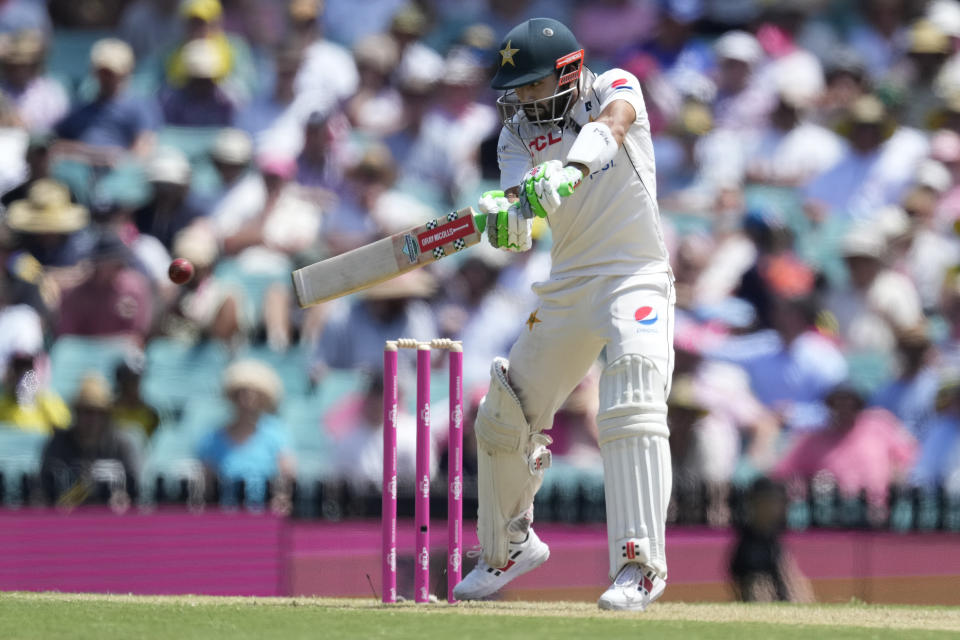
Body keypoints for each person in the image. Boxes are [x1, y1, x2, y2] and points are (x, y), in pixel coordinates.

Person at [452, 18, 675, 611]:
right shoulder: (515, 136)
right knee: (504, 414)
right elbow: (520, 230)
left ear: (568, 71)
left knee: (631, 396)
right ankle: (507, 549)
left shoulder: (613, 85)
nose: (521, 99)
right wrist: (509, 215)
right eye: (514, 88)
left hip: (636, 275)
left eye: (530, 85)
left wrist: (567, 171)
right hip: (570, 283)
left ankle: (640, 565)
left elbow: (614, 126)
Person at [196, 359, 295, 511]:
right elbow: (206, 486)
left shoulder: (276, 435)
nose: (247, 400)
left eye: (253, 394)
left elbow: (287, 478)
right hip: (225, 515)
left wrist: (280, 501)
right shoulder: (212, 439)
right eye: (242, 393)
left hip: (265, 514)